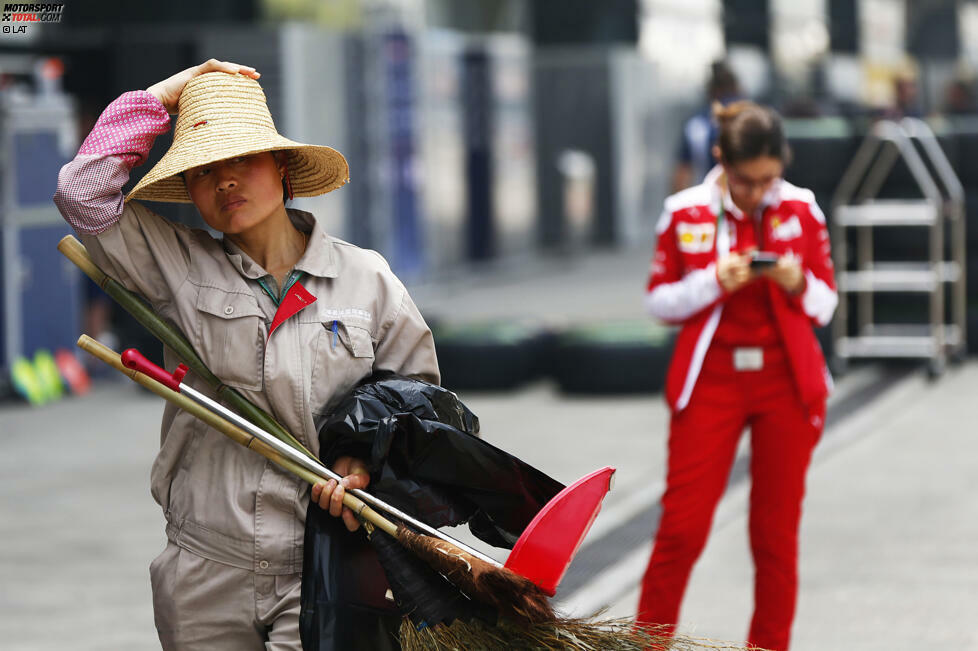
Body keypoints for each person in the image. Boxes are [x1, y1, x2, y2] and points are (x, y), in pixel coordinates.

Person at [54, 60, 439, 650]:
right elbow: (82, 193)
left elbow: (420, 408)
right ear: (191, 194)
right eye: (205, 172)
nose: (225, 181)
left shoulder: (368, 280)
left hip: (324, 566)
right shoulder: (176, 267)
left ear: (282, 168)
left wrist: (363, 468)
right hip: (207, 568)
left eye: (242, 160)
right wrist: (163, 95)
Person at [637, 101, 837, 651]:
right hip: (711, 383)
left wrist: (795, 281)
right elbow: (659, 302)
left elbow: (826, 305)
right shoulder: (684, 211)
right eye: (747, 181)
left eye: (770, 178)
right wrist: (714, 281)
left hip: (787, 383)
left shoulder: (801, 208)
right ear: (721, 158)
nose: (758, 192)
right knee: (682, 528)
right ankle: (646, 645)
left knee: (775, 538)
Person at [671, 60, 740, 193]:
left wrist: (684, 207)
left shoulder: (696, 125)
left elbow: (681, 175)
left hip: (708, 201)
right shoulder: (755, 116)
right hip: (752, 205)